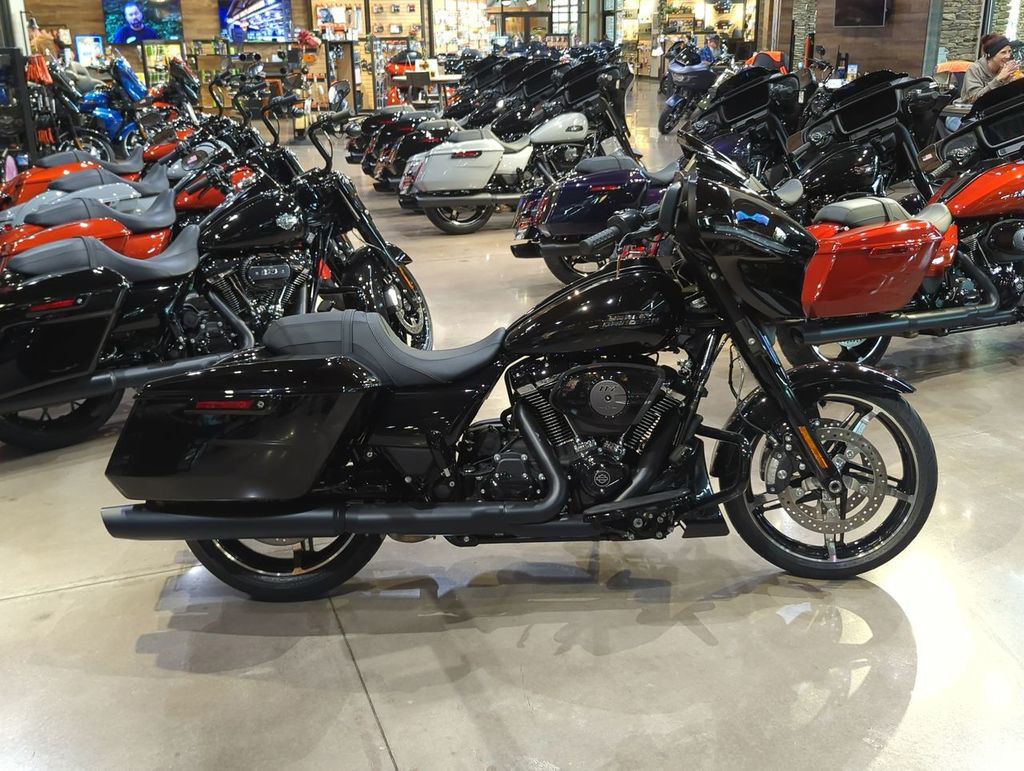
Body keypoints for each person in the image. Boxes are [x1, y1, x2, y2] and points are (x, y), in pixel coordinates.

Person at [963, 33, 1020, 103]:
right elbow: (973, 99)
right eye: (1003, 52)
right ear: (992, 54)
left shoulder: (1005, 68)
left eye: (1009, 51)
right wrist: (998, 79)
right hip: (971, 108)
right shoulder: (975, 69)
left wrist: (1015, 82)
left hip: (997, 107)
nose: (1008, 56)